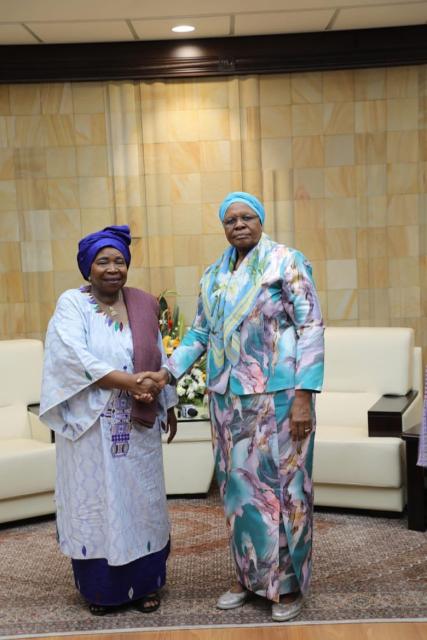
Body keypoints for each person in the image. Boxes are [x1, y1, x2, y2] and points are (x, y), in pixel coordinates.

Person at [143, 192, 324, 622]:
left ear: (260, 220)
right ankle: (249, 578)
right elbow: (201, 335)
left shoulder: (287, 261)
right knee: (239, 492)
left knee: (283, 489)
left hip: (279, 398)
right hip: (227, 401)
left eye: (246, 217)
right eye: (230, 219)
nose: (238, 225)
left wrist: (304, 395)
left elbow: (311, 326)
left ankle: (289, 585)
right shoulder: (213, 275)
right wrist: (167, 373)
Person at [39, 225, 177, 616]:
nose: (112, 268)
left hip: (139, 424)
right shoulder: (73, 304)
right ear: (88, 267)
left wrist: (164, 399)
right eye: (103, 261)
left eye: (119, 260)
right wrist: (129, 382)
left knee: (141, 502)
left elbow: (159, 358)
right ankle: (102, 591)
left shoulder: (143, 304)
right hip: (91, 428)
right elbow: (73, 357)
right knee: (98, 503)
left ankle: (145, 585)